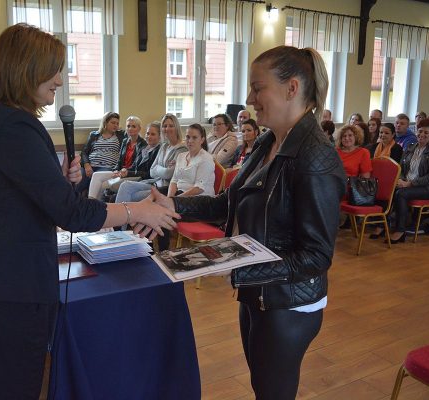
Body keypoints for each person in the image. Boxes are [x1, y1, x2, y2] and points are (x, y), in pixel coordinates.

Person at [0, 24, 179, 400]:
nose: (60, 79)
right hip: (5, 292)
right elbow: (71, 214)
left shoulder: (1, 119)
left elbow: (24, 198)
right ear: (26, 68)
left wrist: (56, 180)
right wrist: (136, 210)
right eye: (53, 70)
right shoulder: (14, 127)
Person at [145, 45, 346, 399]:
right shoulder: (268, 142)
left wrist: (237, 270)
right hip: (259, 290)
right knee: (261, 384)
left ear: (292, 88)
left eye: (257, 88)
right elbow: (228, 202)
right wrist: (172, 203)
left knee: (272, 391)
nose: (250, 99)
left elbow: (316, 256)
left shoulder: (316, 156)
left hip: (287, 302)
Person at [158, 123, 215, 250]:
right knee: (154, 199)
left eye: (194, 137)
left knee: (162, 213)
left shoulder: (206, 159)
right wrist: (170, 198)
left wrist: (174, 201)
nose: (190, 141)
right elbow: (174, 180)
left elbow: (199, 188)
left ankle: (163, 251)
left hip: (198, 201)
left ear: (202, 140)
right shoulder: (181, 156)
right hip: (180, 194)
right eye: (188, 137)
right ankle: (148, 247)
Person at [389, 118, 429, 243]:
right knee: (389, 188)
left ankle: (400, 230)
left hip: (428, 188)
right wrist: (400, 179)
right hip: (408, 183)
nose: (422, 134)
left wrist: (409, 183)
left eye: (426, 132)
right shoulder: (410, 147)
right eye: (420, 131)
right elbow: (401, 167)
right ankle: (383, 224)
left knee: (401, 193)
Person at [115, 114, 187, 203]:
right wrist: (161, 169)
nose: (167, 129)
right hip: (154, 183)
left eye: (171, 126)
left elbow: (168, 174)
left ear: (176, 127)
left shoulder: (182, 149)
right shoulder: (164, 146)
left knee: (130, 196)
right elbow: (152, 171)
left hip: (165, 188)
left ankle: (120, 212)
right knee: (125, 185)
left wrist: (158, 167)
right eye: (164, 126)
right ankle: (118, 212)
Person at [87, 116, 147, 199]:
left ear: (139, 128)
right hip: (120, 172)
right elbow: (119, 160)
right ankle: (90, 202)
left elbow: (136, 165)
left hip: (131, 174)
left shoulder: (143, 145)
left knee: (104, 184)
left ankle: (96, 204)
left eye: (133, 126)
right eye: (128, 126)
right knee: (96, 175)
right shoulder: (125, 141)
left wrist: (125, 171)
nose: (130, 128)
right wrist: (116, 170)